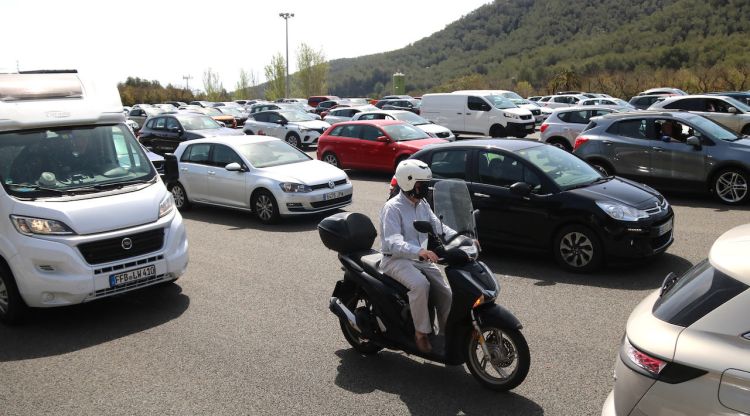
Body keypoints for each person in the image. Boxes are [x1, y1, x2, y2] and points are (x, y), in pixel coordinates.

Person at [379, 159, 455, 353]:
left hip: (418, 258)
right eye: (422, 185)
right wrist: (419, 251)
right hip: (394, 259)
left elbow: (438, 226)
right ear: (408, 182)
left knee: (445, 290)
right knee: (421, 285)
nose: (426, 189)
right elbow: (393, 242)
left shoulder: (422, 205)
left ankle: (446, 333)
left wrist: (461, 237)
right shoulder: (393, 208)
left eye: (426, 184)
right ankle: (420, 333)